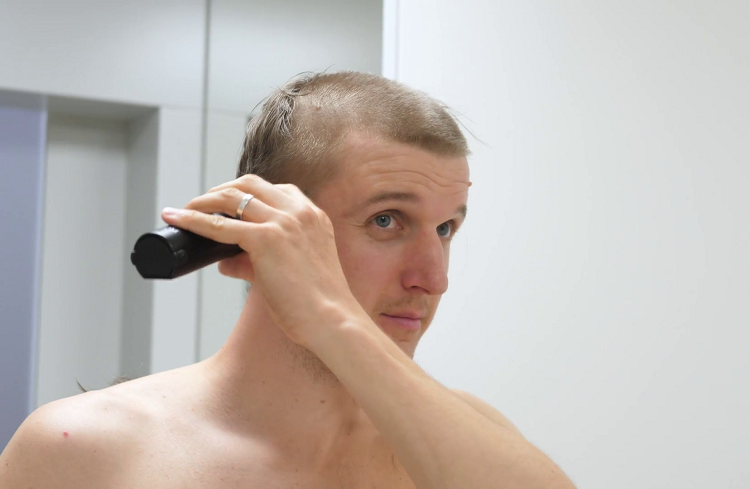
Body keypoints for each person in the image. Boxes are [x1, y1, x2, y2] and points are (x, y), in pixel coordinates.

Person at [0, 71, 576, 488]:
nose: (434, 277)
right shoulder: (87, 449)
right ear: (265, 227)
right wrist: (330, 314)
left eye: (446, 228)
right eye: (386, 220)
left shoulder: (460, 442)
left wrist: (336, 322)